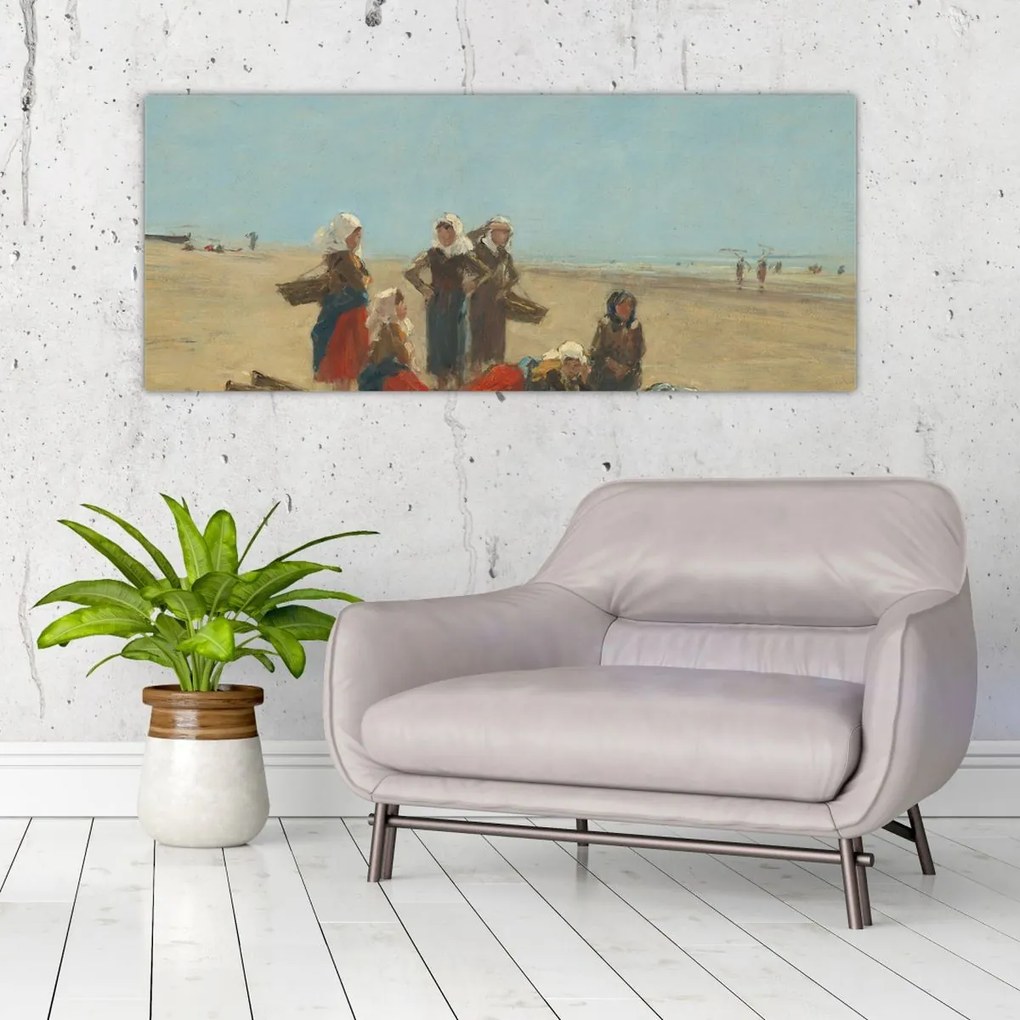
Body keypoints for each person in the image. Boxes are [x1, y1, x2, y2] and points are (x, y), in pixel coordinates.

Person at [404, 214, 489, 389]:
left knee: (458, 341)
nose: (445, 237)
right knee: (438, 343)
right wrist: (423, 287)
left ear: (456, 233)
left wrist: (473, 283)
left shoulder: (464, 254)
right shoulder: (432, 253)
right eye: (441, 233)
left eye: (448, 232)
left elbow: (485, 271)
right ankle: (441, 384)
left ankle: (459, 383)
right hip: (437, 304)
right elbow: (410, 272)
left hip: (458, 302)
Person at [311, 212, 372, 391]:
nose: (357, 240)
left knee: (346, 372)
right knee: (344, 371)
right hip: (345, 320)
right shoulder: (344, 257)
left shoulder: (348, 257)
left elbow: (364, 279)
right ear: (343, 234)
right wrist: (365, 281)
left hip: (351, 317)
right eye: (354, 235)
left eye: (359, 236)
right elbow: (362, 283)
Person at [468, 216, 520, 372]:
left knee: (497, 337)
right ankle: (476, 371)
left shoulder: (504, 255)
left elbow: (514, 275)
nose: (505, 236)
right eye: (502, 232)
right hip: (479, 299)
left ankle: (496, 372)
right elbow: (466, 239)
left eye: (507, 233)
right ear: (492, 233)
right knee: (477, 334)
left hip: (497, 301)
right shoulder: (477, 250)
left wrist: (504, 290)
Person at [357, 288, 427, 392]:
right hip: (390, 374)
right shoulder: (390, 330)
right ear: (391, 308)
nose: (405, 306)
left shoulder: (399, 327)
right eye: (401, 303)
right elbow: (402, 356)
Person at [589, 291, 645, 391]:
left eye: (629, 306)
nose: (626, 309)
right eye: (622, 306)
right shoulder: (605, 324)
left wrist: (625, 368)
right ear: (614, 307)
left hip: (629, 375)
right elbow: (595, 351)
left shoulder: (635, 327)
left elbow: (638, 352)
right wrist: (610, 363)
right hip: (605, 374)